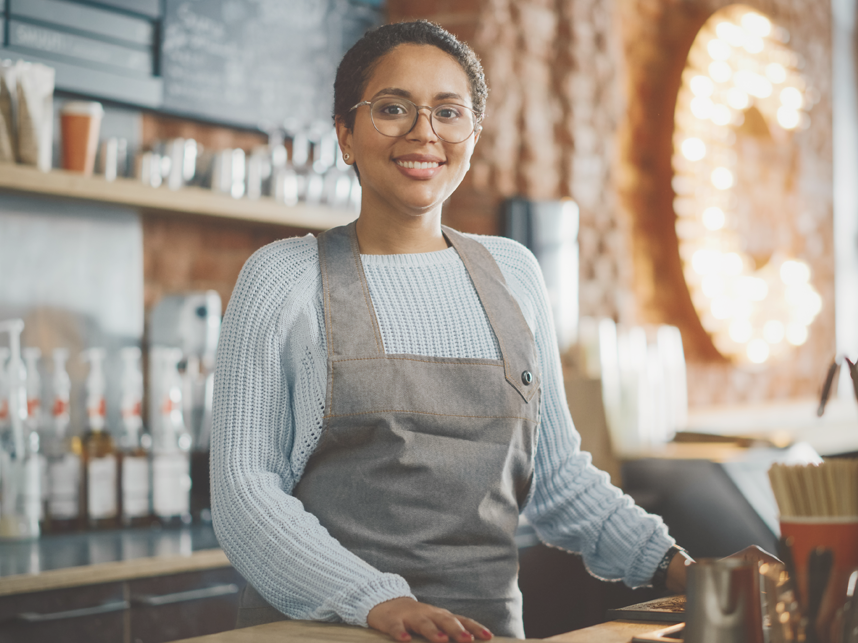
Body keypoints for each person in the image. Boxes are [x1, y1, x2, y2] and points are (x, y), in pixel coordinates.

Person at [211, 19, 766, 642]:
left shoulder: (513, 273)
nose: (424, 132)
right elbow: (243, 494)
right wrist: (378, 602)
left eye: (449, 112)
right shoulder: (283, 279)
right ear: (345, 133)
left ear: (472, 135)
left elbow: (558, 480)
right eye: (393, 109)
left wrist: (677, 567)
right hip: (331, 631)